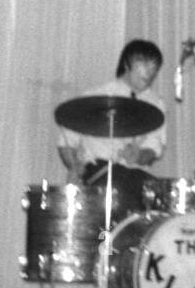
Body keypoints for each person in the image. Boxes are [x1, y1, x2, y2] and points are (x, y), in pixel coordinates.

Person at [57, 39, 168, 219]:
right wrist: (74, 166)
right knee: (124, 183)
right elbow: (65, 142)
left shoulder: (156, 104)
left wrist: (139, 155)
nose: (150, 71)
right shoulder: (95, 97)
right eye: (143, 63)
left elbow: (154, 148)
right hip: (96, 172)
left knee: (159, 193)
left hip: (131, 174)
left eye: (154, 66)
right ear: (126, 63)